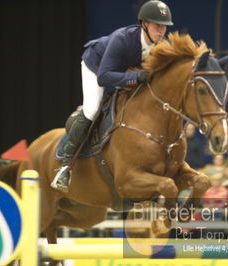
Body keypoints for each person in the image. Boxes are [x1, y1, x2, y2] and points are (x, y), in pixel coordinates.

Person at [51, 1, 174, 192]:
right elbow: (104, 77)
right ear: (144, 24)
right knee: (92, 109)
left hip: (123, 72)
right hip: (96, 67)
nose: (161, 30)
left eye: (164, 26)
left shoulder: (161, 46)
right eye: (157, 25)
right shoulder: (122, 39)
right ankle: (65, 167)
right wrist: (135, 76)